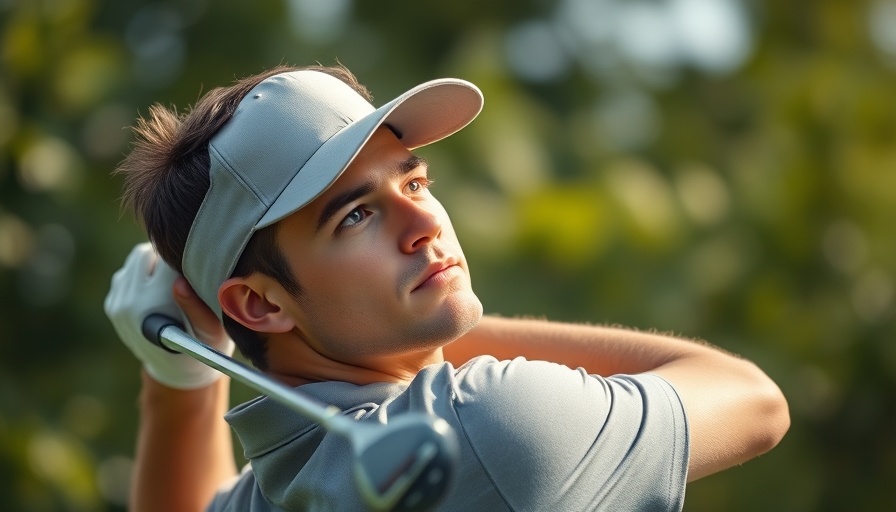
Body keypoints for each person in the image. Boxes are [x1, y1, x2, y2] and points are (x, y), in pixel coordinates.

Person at [104, 64, 790, 512]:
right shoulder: (485, 427)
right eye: (356, 215)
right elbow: (753, 399)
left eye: (414, 181)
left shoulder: (289, 486)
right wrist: (436, 327)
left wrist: (179, 378)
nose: (423, 222)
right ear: (259, 304)